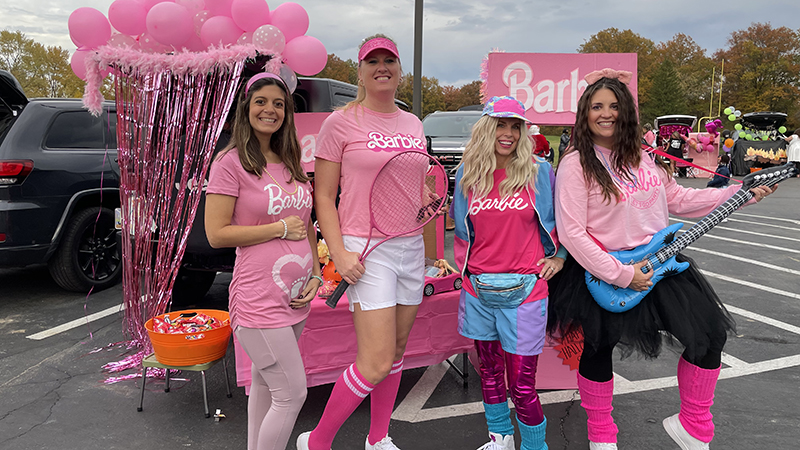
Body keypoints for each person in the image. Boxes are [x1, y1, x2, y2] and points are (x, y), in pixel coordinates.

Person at [547, 68, 776, 450]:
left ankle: (693, 426)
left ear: (627, 112)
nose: (606, 113)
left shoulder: (643, 157)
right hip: (605, 271)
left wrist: (741, 194)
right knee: (598, 348)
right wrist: (622, 274)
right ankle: (601, 436)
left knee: (709, 337)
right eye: (597, 106)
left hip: (661, 262)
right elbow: (573, 233)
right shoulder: (575, 163)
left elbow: (681, 200)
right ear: (585, 113)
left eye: (615, 106)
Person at [297, 34, 427, 450]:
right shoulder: (341, 122)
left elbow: (417, 186)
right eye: (373, 61)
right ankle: (317, 441)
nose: (382, 66)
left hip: (410, 247)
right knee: (373, 362)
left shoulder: (413, 123)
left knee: (399, 349)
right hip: (367, 251)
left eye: (389, 59)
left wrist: (430, 206)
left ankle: (378, 438)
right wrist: (339, 252)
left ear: (399, 68)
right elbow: (323, 196)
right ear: (361, 71)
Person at [205, 72, 322, 450]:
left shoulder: (290, 160)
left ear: (287, 112)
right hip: (258, 300)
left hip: (296, 296)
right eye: (261, 102)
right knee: (292, 394)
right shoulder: (230, 162)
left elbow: (305, 223)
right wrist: (275, 229)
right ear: (247, 107)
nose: (269, 110)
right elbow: (216, 233)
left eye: (278, 104)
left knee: (264, 382)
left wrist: (316, 273)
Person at [451, 96, 567, 450]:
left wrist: (559, 257)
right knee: (489, 371)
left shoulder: (539, 172)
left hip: (526, 292)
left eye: (515, 127)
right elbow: (460, 230)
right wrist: (465, 271)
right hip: (478, 290)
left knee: (522, 384)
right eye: (501, 125)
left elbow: (561, 221)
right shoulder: (467, 174)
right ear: (487, 128)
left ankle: (535, 446)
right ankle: (500, 438)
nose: (508, 134)